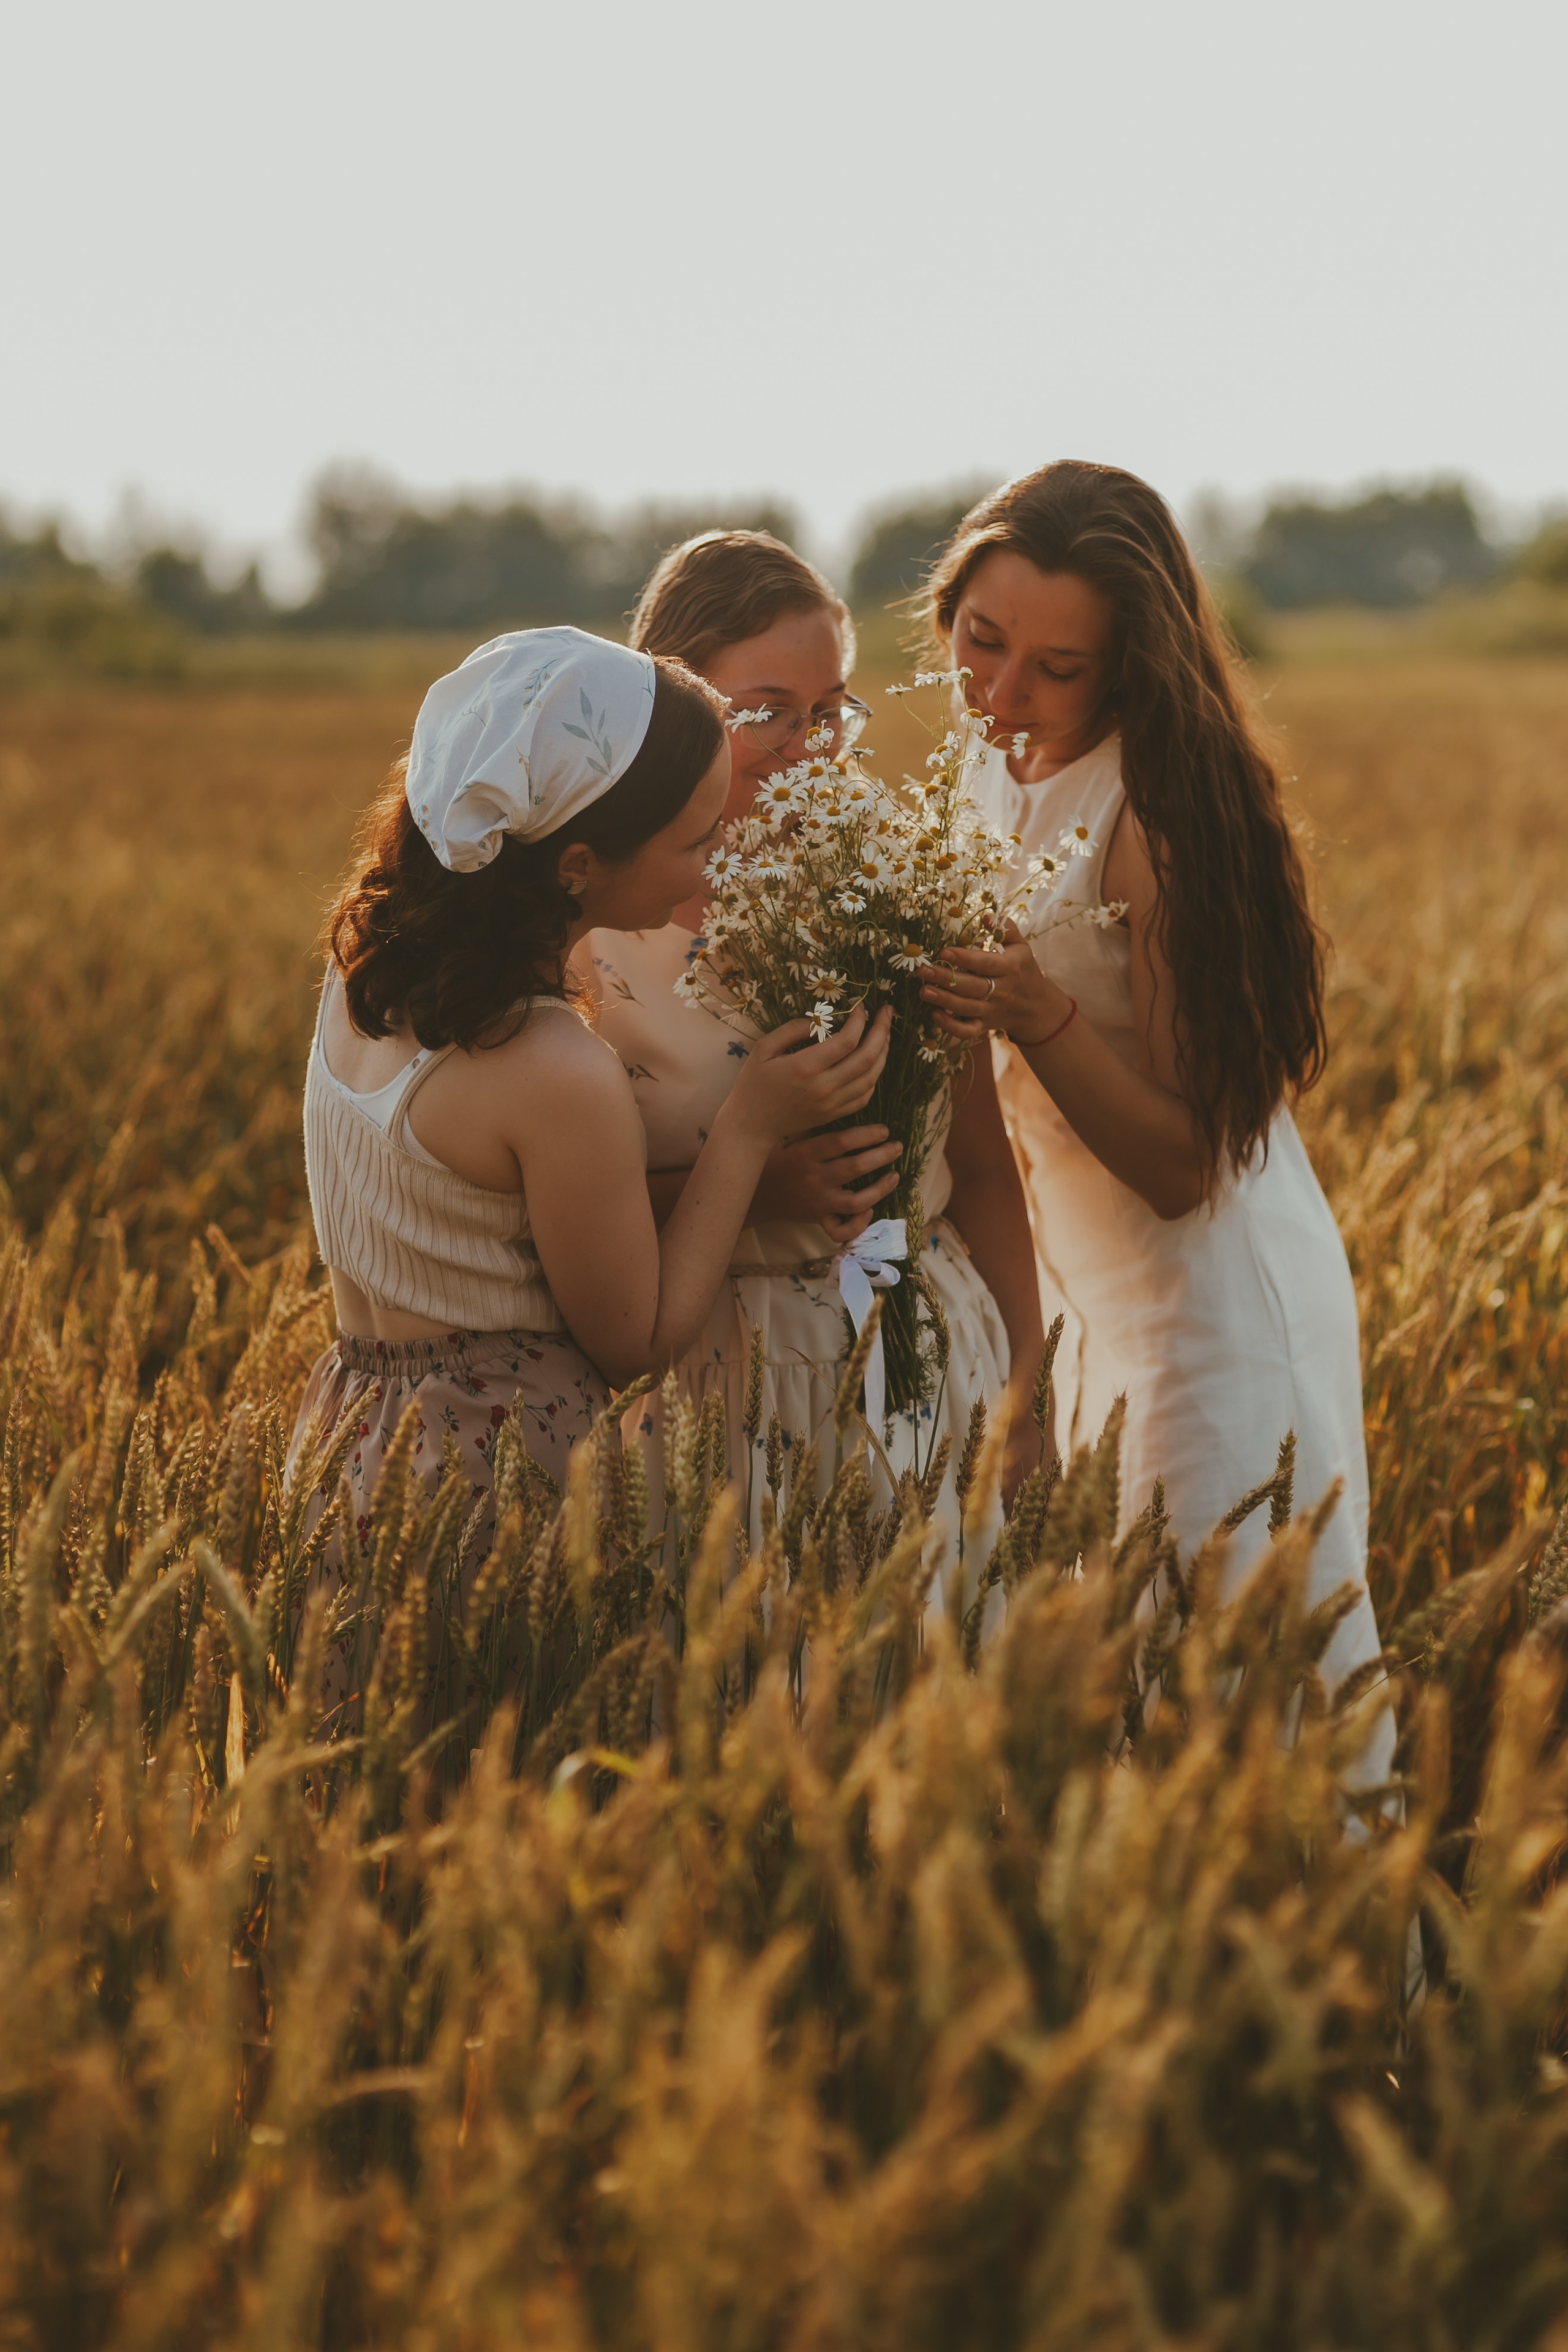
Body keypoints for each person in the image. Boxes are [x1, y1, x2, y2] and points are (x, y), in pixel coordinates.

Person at [917, 463, 1390, 1771]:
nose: (1002, 692)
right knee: (1120, 1707)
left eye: (1056, 669)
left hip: (1207, 1311)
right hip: (1074, 1300)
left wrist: (1037, 1013)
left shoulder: (1163, 810)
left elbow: (1188, 1169)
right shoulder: (988, 755)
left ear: (1129, 667)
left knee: (1236, 1704)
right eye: (981, 640)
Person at [288, 625, 892, 1614]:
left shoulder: (365, 972)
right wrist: (749, 1128)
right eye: (694, 840)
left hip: (357, 1443)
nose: (715, 861)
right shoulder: (554, 1068)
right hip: (503, 1484)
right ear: (577, 863)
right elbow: (639, 1343)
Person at [577, 532, 1044, 1581]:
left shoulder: (908, 890)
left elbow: (982, 1171)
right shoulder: (592, 938)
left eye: (829, 709)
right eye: (768, 712)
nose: (811, 746)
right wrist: (764, 1181)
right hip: (717, 1388)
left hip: (927, 1350)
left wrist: (1028, 1389)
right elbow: (560, 1218)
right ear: (675, 709)